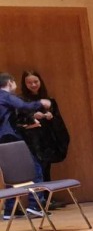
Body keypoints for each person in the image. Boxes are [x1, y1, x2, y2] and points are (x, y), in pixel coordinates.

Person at [0, 72, 51, 218]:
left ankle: (10, 211)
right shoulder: (5, 95)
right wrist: (41, 102)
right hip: (10, 138)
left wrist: (26, 125)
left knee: (12, 174)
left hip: (3, 139)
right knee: (34, 169)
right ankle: (35, 205)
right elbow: (23, 106)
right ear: (10, 82)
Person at [18, 70, 69, 184]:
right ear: (24, 84)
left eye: (36, 81)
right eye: (29, 82)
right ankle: (38, 195)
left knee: (46, 171)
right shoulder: (21, 101)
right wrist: (32, 117)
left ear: (40, 81)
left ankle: (46, 194)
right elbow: (17, 122)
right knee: (35, 172)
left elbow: (59, 123)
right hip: (31, 142)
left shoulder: (49, 100)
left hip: (46, 142)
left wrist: (51, 117)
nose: (33, 85)